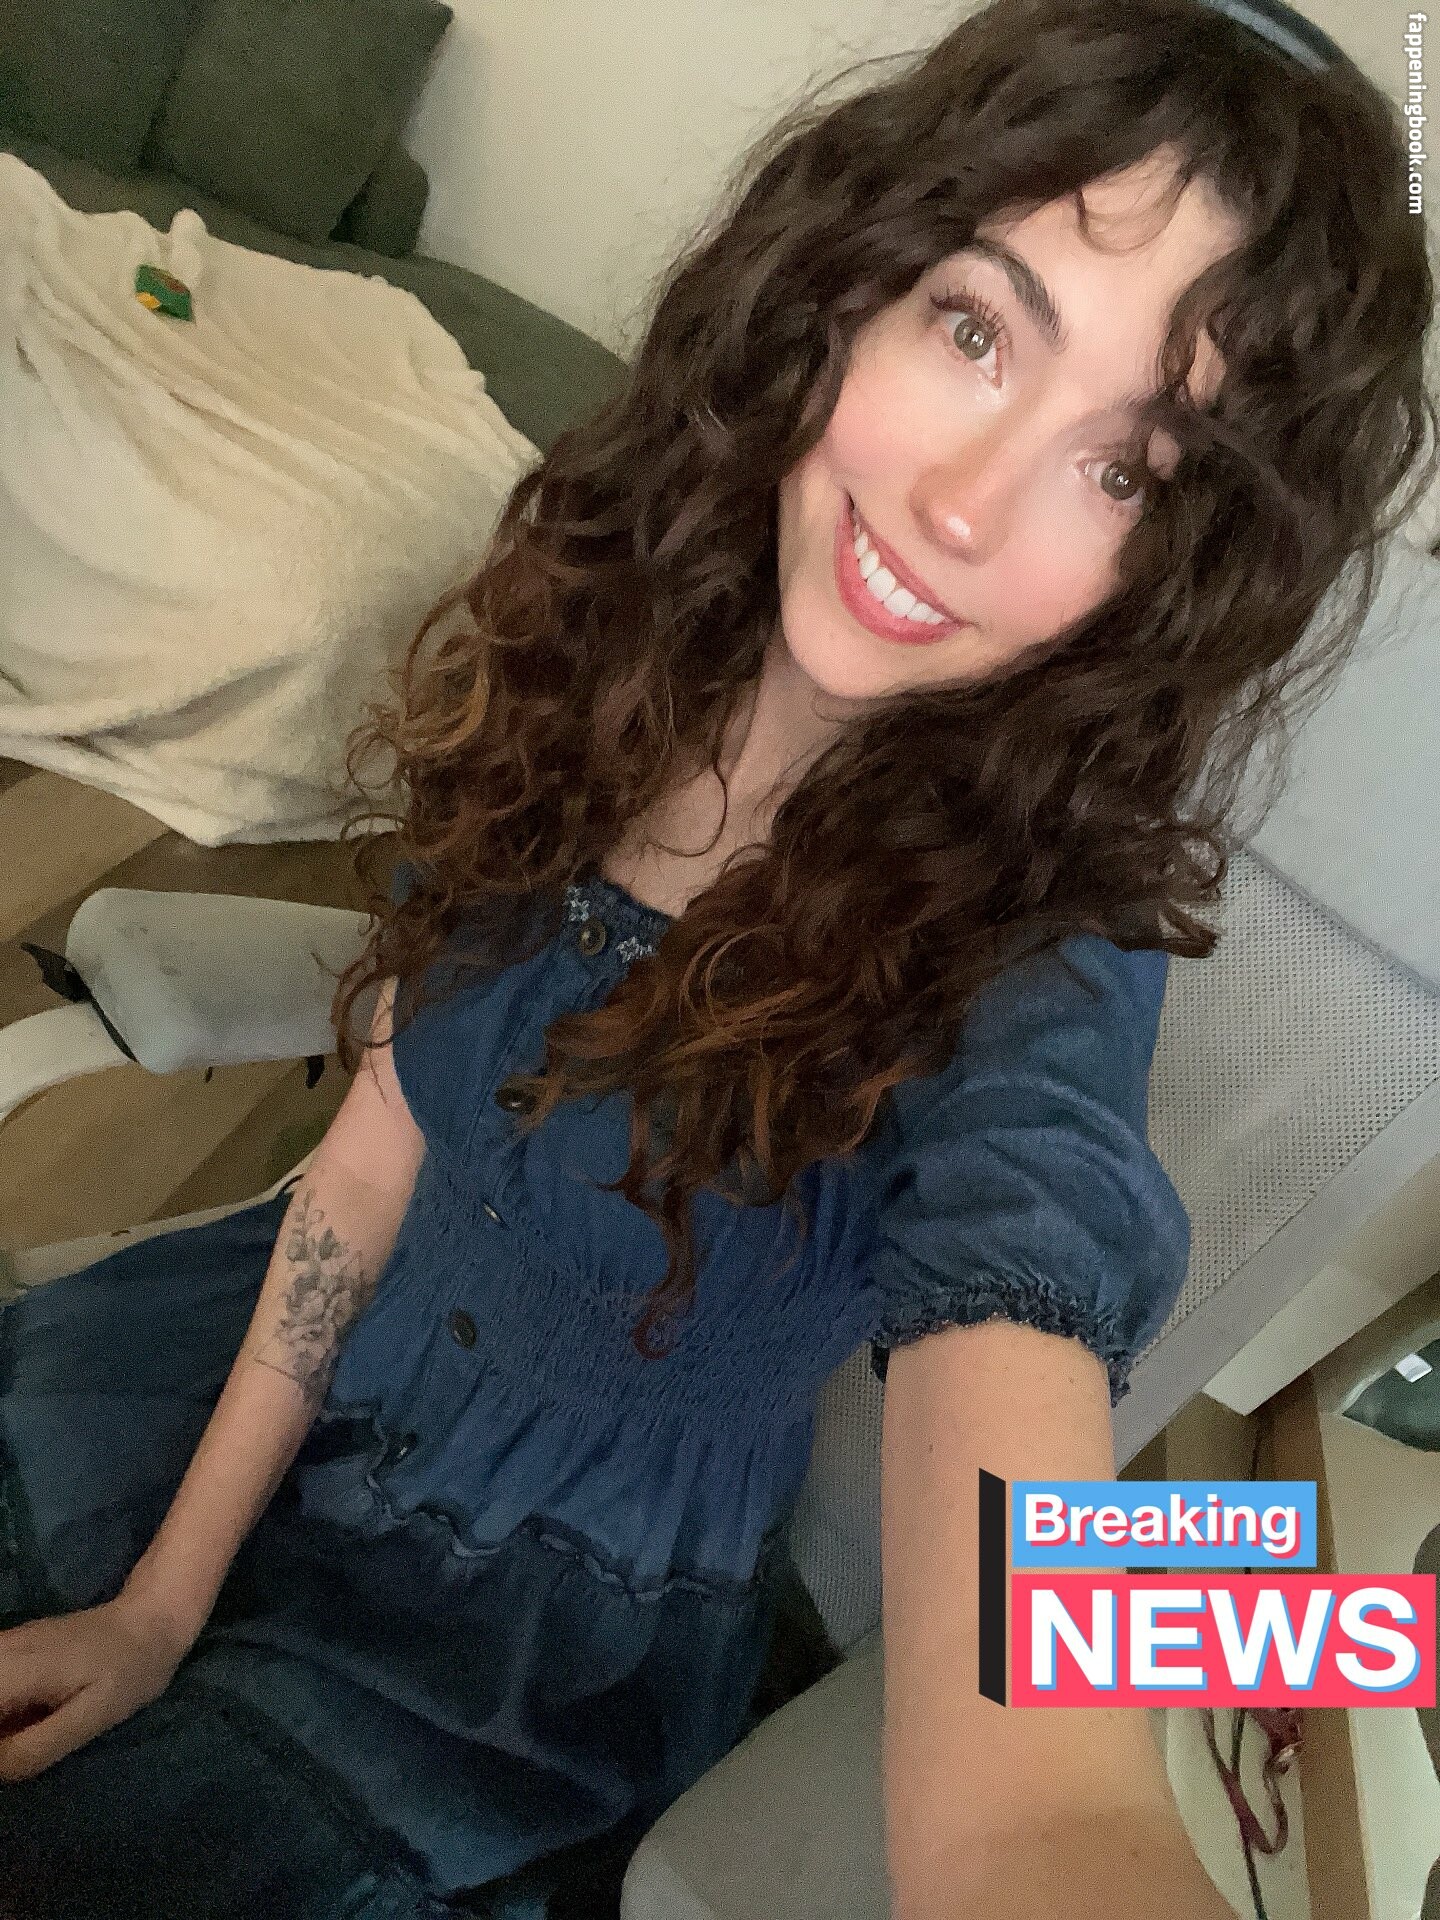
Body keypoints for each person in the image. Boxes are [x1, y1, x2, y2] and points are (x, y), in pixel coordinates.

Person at [0, 0, 1432, 1914]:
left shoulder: (1048, 952)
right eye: (977, 327)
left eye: (1128, 472)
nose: (963, 502)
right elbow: (372, 1150)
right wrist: (163, 1603)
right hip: (244, 1394)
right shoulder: (614, 630)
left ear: (1174, 573)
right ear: (849, 281)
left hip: (507, 1655)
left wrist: (1063, 1818)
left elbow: (1041, 1784)